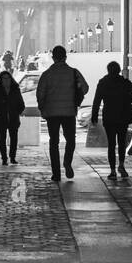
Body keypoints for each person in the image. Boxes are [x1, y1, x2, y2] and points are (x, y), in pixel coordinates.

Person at [36, 44, 88, 182]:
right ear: (65, 57)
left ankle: (56, 173)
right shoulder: (73, 72)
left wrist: (42, 108)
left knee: (54, 142)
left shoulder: (46, 74)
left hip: (51, 112)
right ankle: (67, 162)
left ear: (53, 58)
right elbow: (85, 88)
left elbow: (40, 94)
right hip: (69, 111)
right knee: (70, 139)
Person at [90, 61, 132, 179]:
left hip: (109, 116)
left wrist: (94, 116)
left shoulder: (103, 82)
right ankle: (121, 165)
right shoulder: (124, 82)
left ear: (108, 70)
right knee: (121, 143)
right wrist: (127, 99)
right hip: (122, 116)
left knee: (111, 144)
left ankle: (112, 171)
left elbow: (97, 100)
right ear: (119, 70)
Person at [0, 70, 25, 164]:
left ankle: (12, 157)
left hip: (13, 118)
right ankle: (4, 158)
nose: (6, 80)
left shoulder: (15, 89)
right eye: (4, 78)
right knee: (2, 139)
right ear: (1, 80)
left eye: (8, 78)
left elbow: (21, 104)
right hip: (1, 119)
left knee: (14, 139)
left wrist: (17, 112)